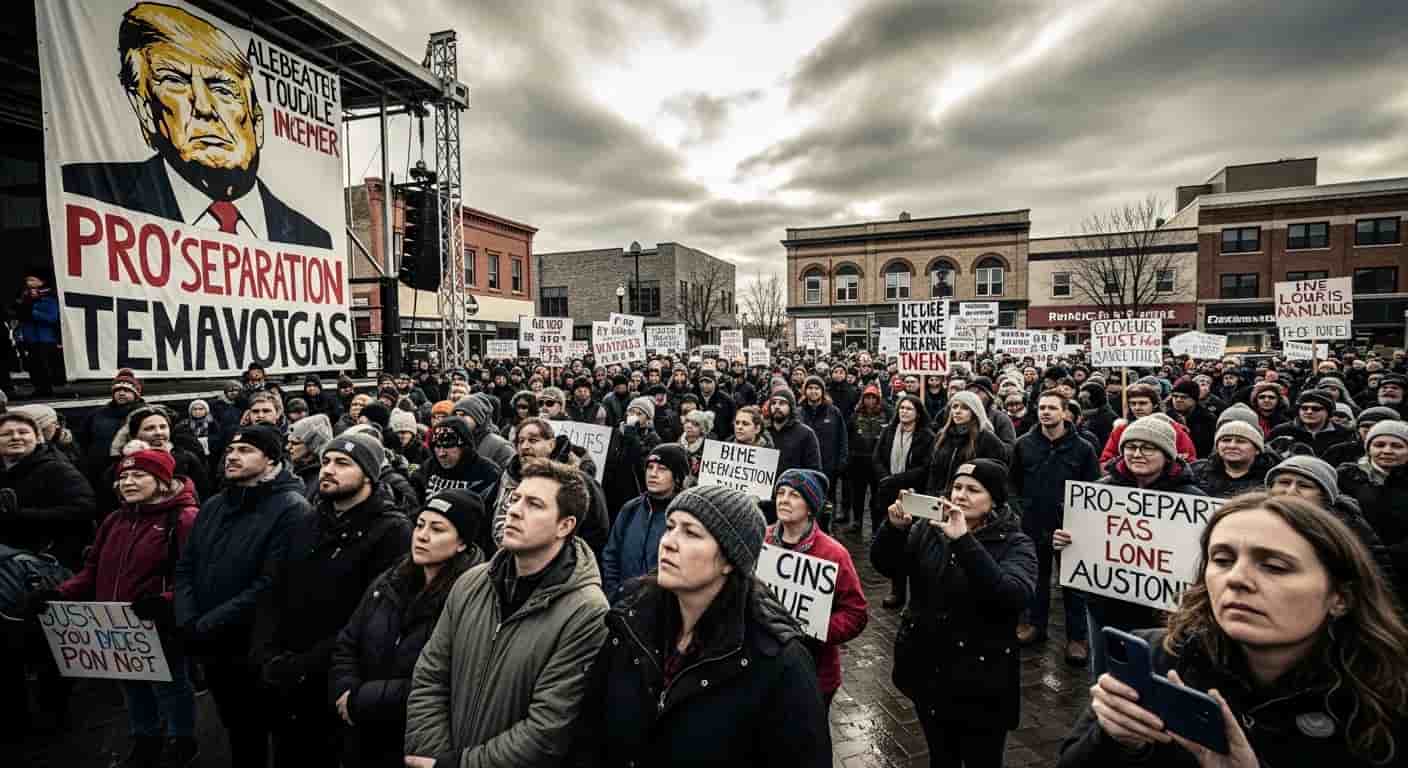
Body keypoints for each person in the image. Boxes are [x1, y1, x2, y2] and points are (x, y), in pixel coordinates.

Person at [1057, 493, 1408, 768]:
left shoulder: (1389, 698)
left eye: (1274, 566)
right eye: (1222, 560)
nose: (1237, 579)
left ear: (1341, 597)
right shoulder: (1155, 656)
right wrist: (1115, 739)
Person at [577, 485, 832, 767]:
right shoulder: (629, 622)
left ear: (729, 560)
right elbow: (589, 733)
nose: (669, 542)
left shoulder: (779, 662)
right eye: (670, 527)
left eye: (691, 533)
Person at [61, 3, 332, 248]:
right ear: (145, 111)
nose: (203, 107)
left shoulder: (313, 240)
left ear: (257, 121)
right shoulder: (84, 191)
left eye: (222, 88)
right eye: (176, 81)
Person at [403, 460, 609, 768]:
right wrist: (434, 756)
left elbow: (546, 728)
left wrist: (459, 765)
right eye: (515, 499)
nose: (513, 510)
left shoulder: (586, 612)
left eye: (534, 504)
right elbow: (430, 675)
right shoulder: (472, 582)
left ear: (565, 525)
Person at [250, 432, 410, 768]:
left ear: (368, 474)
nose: (328, 470)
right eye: (325, 461)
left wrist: (306, 664)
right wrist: (266, 652)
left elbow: (371, 619)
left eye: (342, 463)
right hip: (285, 670)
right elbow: (274, 588)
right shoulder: (307, 520)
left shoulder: (391, 532)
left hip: (335, 678)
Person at [872, 459, 1037, 768]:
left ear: (994, 500)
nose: (961, 495)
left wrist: (964, 541)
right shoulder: (927, 528)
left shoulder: (1016, 542)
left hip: (981, 681)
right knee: (941, 756)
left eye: (973, 490)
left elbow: (1012, 595)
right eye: (957, 487)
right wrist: (893, 530)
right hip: (928, 671)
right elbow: (888, 565)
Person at [45, 450, 200, 768]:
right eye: (123, 476)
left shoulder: (183, 519)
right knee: (132, 685)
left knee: (170, 684)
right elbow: (92, 570)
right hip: (115, 622)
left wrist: (165, 602)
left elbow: (196, 576)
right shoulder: (115, 519)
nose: (128, 482)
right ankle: (145, 740)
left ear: (161, 480)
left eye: (138, 475)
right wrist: (58, 593)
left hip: (159, 621)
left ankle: (181, 741)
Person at [173, 425, 310, 768]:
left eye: (246, 450)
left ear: (271, 460)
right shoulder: (216, 504)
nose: (233, 456)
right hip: (211, 640)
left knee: (271, 730)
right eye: (231, 450)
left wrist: (209, 622)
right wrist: (188, 617)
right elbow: (187, 565)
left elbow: (272, 583)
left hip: (256, 644)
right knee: (236, 727)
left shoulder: (292, 508)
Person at [328, 491, 485, 768]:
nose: (422, 535)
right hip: (359, 730)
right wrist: (345, 688)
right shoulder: (393, 577)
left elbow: (446, 679)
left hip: (411, 741)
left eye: (437, 529)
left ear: (461, 543)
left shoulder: (470, 598)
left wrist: (362, 699)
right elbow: (349, 639)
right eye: (420, 525)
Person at [1063, 416, 1205, 670]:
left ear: (1167, 454)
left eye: (1147, 447)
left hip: (1162, 616)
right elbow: (1089, 542)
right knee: (1106, 677)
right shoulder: (1099, 492)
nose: (1137, 454)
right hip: (1105, 607)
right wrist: (1068, 541)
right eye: (1130, 446)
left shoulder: (1192, 501)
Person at [767, 469, 868, 707]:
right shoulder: (762, 538)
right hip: (766, 668)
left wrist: (816, 629)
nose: (783, 499)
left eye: (794, 495)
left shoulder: (834, 553)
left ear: (811, 507)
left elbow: (856, 613)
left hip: (815, 672)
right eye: (780, 492)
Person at [1012, 391, 1099, 663]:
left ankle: (1077, 638)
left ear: (1065, 413)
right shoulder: (1024, 444)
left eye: (1052, 408)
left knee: (1073, 584)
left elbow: (1092, 489)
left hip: (1069, 528)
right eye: (1041, 408)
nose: (1045, 412)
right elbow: (1011, 482)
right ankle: (1034, 626)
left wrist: (1081, 523)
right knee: (1036, 578)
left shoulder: (1083, 448)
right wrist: (1019, 510)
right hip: (1033, 522)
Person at [0, 410, 97, 569]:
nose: (16, 437)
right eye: (6, 434)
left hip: (50, 564)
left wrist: (19, 516)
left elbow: (84, 509)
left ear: (38, 438)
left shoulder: (57, 469)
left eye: (23, 432)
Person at [871, 394, 935, 610]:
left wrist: (898, 480)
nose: (904, 412)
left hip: (912, 494)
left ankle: (916, 595)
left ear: (918, 413)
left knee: (913, 544)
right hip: (888, 493)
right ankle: (897, 590)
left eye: (909, 408)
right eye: (902, 408)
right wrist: (885, 479)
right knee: (894, 545)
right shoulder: (889, 431)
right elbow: (877, 457)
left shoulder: (926, 436)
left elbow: (925, 468)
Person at [601, 444, 688, 602]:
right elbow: (611, 555)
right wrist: (614, 592)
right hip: (621, 605)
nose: (653, 474)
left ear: (677, 476)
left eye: (662, 469)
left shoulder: (685, 517)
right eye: (650, 467)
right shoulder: (630, 509)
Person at [1336, 419, 1408, 606]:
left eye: (1397, 446)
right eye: (1379, 444)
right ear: (1368, 448)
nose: (1387, 451)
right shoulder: (1347, 478)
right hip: (1356, 563)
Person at [927, 391, 1008, 496]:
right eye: (954, 407)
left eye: (965, 408)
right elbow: (932, 471)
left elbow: (996, 476)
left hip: (967, 501)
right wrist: (930, 494)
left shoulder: (987, 439)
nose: (957, 411)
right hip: (937, 501)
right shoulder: (942, 435)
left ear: (975, 411)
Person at [409, 417, 501, 503]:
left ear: (464, 447)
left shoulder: (488, 473)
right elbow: (414, 502)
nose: (441, 454)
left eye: (448, 447)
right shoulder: (428, 468)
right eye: (437, 447)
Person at [76, 369, 145, 482]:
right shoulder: (96, 415)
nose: (121, 393)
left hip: (133, 471)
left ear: (136, 394)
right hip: (98, 472)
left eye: (127, 390)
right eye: (118, 390)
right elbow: (83, 441)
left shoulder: (144, 414)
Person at [799, 376, 848, 532]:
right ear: (805, 391)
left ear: (822, 391)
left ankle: (827, 528)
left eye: (817, 388)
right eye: (810, 388)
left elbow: (843, 438)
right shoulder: (798, 412)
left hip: (828, 465)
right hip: (804, 466)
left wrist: (841, 461)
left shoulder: (833, 412)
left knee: (828, 500)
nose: (813, 391)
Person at [602, 396, 663, 515]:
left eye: (639, 414)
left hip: (634, 491)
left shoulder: (653, 439)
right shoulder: (616, 433)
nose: (633, 416)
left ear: (648, 419)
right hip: (612, 490)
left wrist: (631, 434)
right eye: (631, 412)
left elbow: (639, 462)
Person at [846, 384, 890, 535]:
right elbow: (848, 435)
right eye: (867, 397)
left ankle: (876, 526)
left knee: (876, 497)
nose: (870, 401)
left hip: (877, 462)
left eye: (873, 398)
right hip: (858, 461)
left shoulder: (885, 414)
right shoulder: (855, 415)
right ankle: (857, 521)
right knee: (857, 494)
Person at [1191, 420, 1276, 498]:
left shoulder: (1272, 479)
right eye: (1226, 440)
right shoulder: (1196, 471)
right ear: (1217, 447)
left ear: (1257, 449)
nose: (1232, 446)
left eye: (1241, 441)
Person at [13, 272, 62, 397]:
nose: (29, 282)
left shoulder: (49, 298)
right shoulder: (24, 298)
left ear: (41, 282)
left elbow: (52, 317)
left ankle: (46, 389)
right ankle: (39, 388)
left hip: (45, 338)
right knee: (33, 366)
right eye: (27, 280)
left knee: (43, 366)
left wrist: (33, 312)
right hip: (30, 338)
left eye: (32, 279)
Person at [1270, 389, 1355, 458]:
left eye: (1316, 409)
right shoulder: (1281, 431)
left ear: (1328, 412)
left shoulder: (1344, 434)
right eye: (1304, 408)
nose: (1309, 412)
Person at [287, 414, 333, 499]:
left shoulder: (321, 479)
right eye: (288, 442)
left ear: (313, 446)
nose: (288, 447)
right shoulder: (294, 469)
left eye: (295, 443)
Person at [1168, 378, 1216, 460]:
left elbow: (1204, 449)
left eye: (1184, 397)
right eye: (1175, 396)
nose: (1178, 400)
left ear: (1194, 400)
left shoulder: (1207, 419)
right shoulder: (1168, 417)